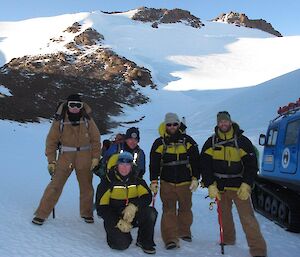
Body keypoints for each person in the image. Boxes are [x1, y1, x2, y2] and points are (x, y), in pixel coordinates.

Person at [200, 111, 267, 257]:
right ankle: (228, 239)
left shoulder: (242, 141)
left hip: (239, 186)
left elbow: (251, 165)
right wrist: (210, 184)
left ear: (230, 122)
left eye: (225, 121)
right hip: (221, 187)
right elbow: (204, 165)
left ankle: (258, 250)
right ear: (217, 124)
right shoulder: (211, 142)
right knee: (224, 217)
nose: (223, 124)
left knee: (248, 219)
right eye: (220, 122)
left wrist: (247, 184)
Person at [32, 94, 101, 225]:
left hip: (85, 156)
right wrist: (51, 161)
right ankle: (41, 214)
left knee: (87, 187)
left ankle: (87, 213)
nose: (75, 108)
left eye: (78, 105)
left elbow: (96, 139)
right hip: (65, 157)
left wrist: (96, 157)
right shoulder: (60, 120)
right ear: (67, 105)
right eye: (72, 105)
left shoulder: (87, 119)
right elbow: (51, 142)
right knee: (55, 185)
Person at [149, 113, 200, 249]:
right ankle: (170, 238)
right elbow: (153, 164)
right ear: (165, 125)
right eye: (169, 124)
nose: (172, 127)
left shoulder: (188, 141)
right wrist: (154, 181)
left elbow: (196, 161)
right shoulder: (159, 143)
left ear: (178, 125)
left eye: (174, 124)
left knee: (185, 209)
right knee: (169, 210)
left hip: (185, 183)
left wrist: (196, 177)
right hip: (167, 183)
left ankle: (184, 232)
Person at [96, 151, 157, 254]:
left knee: (150, 212)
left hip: (131, 215)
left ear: (131, 166)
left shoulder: (137, 180)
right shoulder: (107, 182)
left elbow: (147, 197)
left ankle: (144, 240)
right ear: (117, 165)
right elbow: (101, 208)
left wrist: (134, 206)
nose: (124, 168)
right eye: (122, 164)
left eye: (127, 165)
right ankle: (121, 236)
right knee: (121, 244)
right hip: (114, 217)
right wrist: (117, 222)